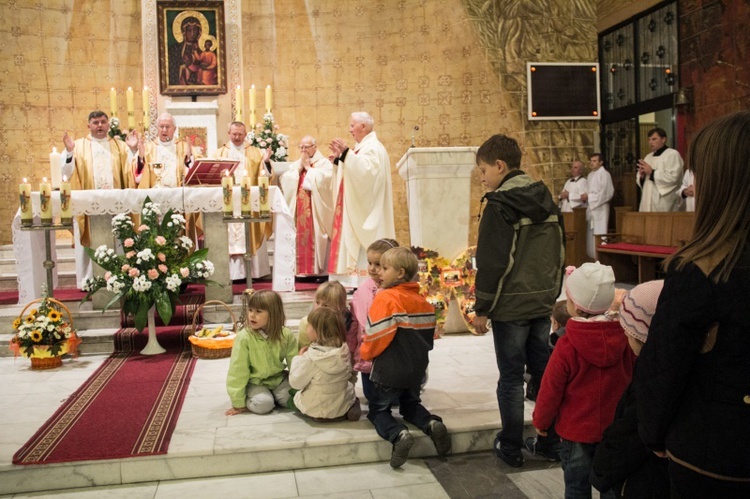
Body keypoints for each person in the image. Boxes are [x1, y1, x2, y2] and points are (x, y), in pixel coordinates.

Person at [635, 111, 750, 497]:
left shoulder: (702, 270)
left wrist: (652, 433)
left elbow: (662, 369)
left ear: (721, 182)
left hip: (714, 453)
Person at [472, 133, 565, 468]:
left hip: (510, 307)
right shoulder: (547, 200)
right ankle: (549, 441)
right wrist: (552, 295)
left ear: (500, 165)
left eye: (483, 170)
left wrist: (482, 307)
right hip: (540, 302)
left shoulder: (500, 205)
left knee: (511, 377)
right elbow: (560, 251)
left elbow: (493, 262)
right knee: (543, 374)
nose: (482, 177)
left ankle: (510, 446)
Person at [533, 263, 634, 499]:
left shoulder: (567, 345)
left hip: (575, 431)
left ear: (575, 307)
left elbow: (551, 389)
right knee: (611, 484)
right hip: (614, 429)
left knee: (577, 486)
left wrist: (541, 420)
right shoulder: (625, 340)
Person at [361, 247, 451, 468]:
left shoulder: (386, 298)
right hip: (416, 368)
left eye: (384, 268)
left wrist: (365, 354)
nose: (378, 272)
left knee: (378, 410)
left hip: (389, 369)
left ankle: (398, 434)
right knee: (410, 404)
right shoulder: (423, 302)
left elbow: (377, 336)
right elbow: (429, 340)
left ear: (400, 273)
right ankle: (430, 423)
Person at [590, 280, 670, 499]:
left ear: (639, 335)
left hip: (644, 482)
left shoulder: (650, 382)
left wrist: (601, 470)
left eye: (627, 332)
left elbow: (629, 434)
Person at [61, 110, 138, 288]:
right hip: (88, 205)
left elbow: (133, 171)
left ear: (109, 124)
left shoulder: (119, 145)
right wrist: (69, 152)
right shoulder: (78, 145)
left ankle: (120, 277)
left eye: (103, 122)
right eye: (95, 122)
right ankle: (88, 280)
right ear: (89, 125)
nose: (100, 125)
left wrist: (133, 150)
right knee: (89, 241)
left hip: (115, 205)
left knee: (117, 241)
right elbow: (66, 174)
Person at [328, 112, 396, 288]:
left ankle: (362, 282)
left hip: (368, 212)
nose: (350, 130)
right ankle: (353, 282)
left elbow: (367, 175)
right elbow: (354, 172)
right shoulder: (364, 147)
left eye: (352, 125)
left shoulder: (373, 147)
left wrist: (346, 155)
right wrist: (340, 160)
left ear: (363, 126)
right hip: (354, 209)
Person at [215, 121, 273, 280]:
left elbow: (265, 175)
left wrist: (266, 161)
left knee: (250, 232)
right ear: (228, 133)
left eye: (240, 134)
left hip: (249, 200)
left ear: (245, 134)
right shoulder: (219, 153)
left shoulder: (255, 152)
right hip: (228, 201)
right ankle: (229, 273)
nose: (237, 137)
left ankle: (253, 273)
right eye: (234, 134)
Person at [225, 290, 298, 415]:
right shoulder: (244, 338)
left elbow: (295, 363)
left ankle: (273, 396)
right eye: (250, 310)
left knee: (292, 400)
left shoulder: (285, 335)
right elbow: (237, 370)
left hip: (278, 379)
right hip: (255, 382)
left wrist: (298, 386)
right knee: (264, 405)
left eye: (258, 311)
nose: (252, 315)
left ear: (274, 314)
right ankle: (262, 397)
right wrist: (238, 402)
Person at [288, 307, 361, 422]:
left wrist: (299, 358)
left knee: (292, 396)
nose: (306, 327)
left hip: (315, 408)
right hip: (340, 405)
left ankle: (320, 415)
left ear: (317, 331)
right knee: (349, 387)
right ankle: (349, 408)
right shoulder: (344, 350)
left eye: (309, 325)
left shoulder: (311, 357)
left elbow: (295, 382)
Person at [350, 238, 399, 402]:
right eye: (369, 263)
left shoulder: (398, 291)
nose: (372, 269)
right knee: (373, 397)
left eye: (378, 265)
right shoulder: (362, 290)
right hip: (367, 356)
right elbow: (355, 323)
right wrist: (351, 351)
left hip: (392, 357)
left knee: (396, 398)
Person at [279, 136, 335, 277]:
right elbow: (285, 179)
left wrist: (309, 169)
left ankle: (319, 272)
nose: (303, 150)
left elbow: (328, 182)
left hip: (316, 211)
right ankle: (300, 272)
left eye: (307, 147)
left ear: (315, 147)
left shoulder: (324, 164)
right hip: (299, 210)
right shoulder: (297, 164)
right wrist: (299, 170)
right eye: (301, 147)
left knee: (318, 235)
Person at [297, 281, 359, 369]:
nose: (319, 308)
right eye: (317, 302)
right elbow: (303, 351)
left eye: (325, 305)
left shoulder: (348, 324)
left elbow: (350, 354)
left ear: (340, 307)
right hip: (312, 369)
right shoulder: (307, 323)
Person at [636, 127, 684, 212]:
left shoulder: (672, 154)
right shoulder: (648, 156)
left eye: (654, 139)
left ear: (663, 139)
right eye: (649, 139)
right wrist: (642, 176)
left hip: (663, 200)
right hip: (647, 197)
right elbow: (641, 178)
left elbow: (673, 177)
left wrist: (651, 172)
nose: (651, 142)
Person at [582, 153, 614, 259]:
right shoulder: (590, 175)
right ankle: (592, 257)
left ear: (601, 162)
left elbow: (606, 193)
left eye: (594, 161)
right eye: (591, 161)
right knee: (590, 235)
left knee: (600, 232)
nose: (592, 163)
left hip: (600, 208)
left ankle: (600, 258)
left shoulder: (604, 174)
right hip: (591, 208)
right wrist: (585, 196)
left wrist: (590, 197)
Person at [168, 15, 203, 86]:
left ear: (199, 31)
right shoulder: (176, 49)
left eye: (195, 30)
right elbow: (172, 69)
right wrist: (185, 65)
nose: (192, 33)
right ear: (184, 32)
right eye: (189, 30)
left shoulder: (203, 49)